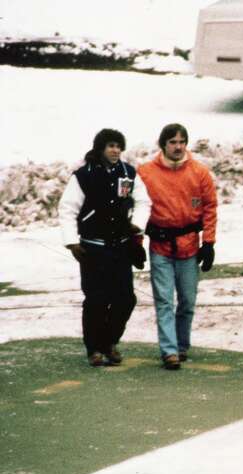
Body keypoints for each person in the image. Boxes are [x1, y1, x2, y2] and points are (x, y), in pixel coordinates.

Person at [58, 128, 151, 367]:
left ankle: (109, 341)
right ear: (100, 148)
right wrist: (72, 242)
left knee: (125, 299)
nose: (115, 150)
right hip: (93, 249)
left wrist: (136, 225)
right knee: (96, 299)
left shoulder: (128, 173)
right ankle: (94, 349)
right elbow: (67, 209)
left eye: (119, 146)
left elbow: (143, 201)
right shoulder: (83, 176)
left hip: (119, 247)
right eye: (110, 146)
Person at [139, 123, 218, 370]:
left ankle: (182, 344)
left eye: (182, 141)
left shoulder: (200, 172)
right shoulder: (146, 173)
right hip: (160, 245)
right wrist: (136, 243)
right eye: (172, 142)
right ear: (163, 144)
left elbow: (210, 207)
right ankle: (169, 350)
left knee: (187, 300)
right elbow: (138, 208)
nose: (178, 146)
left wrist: (209, 242)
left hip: (189, 246)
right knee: (163, 300)